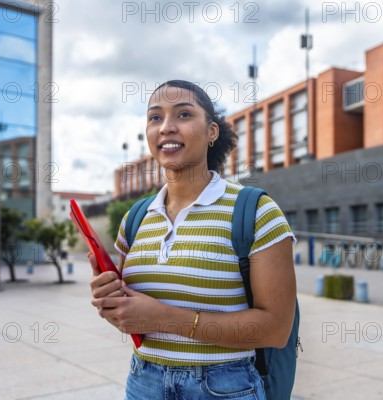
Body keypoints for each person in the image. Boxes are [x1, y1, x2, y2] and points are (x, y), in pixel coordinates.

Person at [88, 80, 297, 400]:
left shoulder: (255, 211)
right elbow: (132, 320)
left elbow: (276, 329)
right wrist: (113, 306)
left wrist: (166, 318)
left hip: (225, 386)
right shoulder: (135, 218)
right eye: (155, 117)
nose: (166, 127)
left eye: (183, 115)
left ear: (212, 131)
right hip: (144, 381)